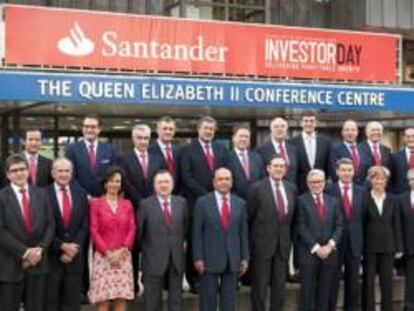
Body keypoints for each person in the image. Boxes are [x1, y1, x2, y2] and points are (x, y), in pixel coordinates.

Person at [0, 154, 54, 311]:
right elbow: (1, 231)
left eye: (22, 169)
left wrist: (40, 250)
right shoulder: (1, 197)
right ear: (8, 174)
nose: (19, 173)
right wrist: (25, 253)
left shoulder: (41, 194)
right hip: (9, 266)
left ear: (28, 171)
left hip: (38, 264)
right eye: (14, 170)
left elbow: (50, 225)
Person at [181, 116, 229, 292]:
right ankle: (194, 279)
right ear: (198, 129)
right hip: (197, 204)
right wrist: (208, 195)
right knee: (196, 240)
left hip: (220, 204)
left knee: (216, 239)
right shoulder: (187, 149)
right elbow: (186, 177)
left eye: (211, 128)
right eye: (205, 128)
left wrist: (218, 194)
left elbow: (226, 174)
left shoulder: (222, 149)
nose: (208, 131)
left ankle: (216, 274)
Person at [192, 168, 249, 311]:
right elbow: (197, 232)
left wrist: (245, 257)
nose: (224, 182)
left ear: (232, 182)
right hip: (208, 259)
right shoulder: (202, 202)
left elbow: (243, 233)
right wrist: (197, 257)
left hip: (232, 259)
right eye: (220, 179)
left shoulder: (240, 203)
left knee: (229, 302)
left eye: (227, 179)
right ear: (214, 182)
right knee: (207, 301)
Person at [247, 156, 297, 311]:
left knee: (279, 287)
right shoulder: (257, 188)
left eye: (282, 166)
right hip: (262, 245)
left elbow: (292, 219)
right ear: (268, 168)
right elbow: (249, 217)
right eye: (275, 166)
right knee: (260, 287)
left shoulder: (291, 188)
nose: (279, 169)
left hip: (282, 245)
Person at [138, 170, 188, 311]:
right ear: (154, 186)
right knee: (152, 302)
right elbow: (140, 234)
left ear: (172, 184)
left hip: (176, 258)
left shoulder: (181, 203)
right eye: (160, 182)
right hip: (152, 259)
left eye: (167, 182)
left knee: (176, 302)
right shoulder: (145, 205)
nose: (163, 185)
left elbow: (184, 229)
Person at [88, 166, 136, 311]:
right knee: (103, 300)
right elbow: (94, 230)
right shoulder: (96, 203)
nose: (114, 184)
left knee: (121, 298)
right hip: (103, 258)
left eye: (117, 181)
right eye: (111, 181)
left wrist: (122, 250)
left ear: (121, 184)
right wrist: (107, 253)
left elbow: (132, 228)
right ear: (105, 183)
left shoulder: (127, 204)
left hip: (123, 256)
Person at [46, 158, 89, 311]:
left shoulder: (81, 194)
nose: (63, 174)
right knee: (51, 303)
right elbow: (43, 227)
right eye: (60, 171)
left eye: (67, 171)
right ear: (52, 173)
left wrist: (73, 249)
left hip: (75, 260)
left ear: (71, 173)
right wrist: (62, 246)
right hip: (52, 259)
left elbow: (84, 225)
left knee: (72, 304)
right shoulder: (42, 194)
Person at [296, 169, 343, 311]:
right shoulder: (300, 200)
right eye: (313, 182)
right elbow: (301, 227)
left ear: (324, 183)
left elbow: (339, 226)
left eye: (319, 181)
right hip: (309, 254)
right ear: (308, 183)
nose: (316, 185)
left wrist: (329, 246)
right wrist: (317, 248)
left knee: (325, 294)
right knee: (306, 294)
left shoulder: (333, 201)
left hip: (329, 254)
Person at [325, 158, 366, 311]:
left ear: (354, 171)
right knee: (332, 280)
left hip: (355, 242)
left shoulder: (362, 191)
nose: (346, 173)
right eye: (343, 170)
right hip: (335, 243)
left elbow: (364, 219)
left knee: (353, 281)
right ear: (337, 172)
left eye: (349, 170)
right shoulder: (329, 190)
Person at [362, 165, 403, 311]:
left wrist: (399, 247)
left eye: (382, 179)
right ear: (370, 180)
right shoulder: (364, 198)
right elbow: (361, 224)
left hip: (388, 246)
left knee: (387, 283)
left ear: (386, 181)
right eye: (376, 178)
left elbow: (397, 224)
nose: (379, 182)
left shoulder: (393, 199)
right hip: (369, 247)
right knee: (368, 283)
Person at [65, 115, 117, 197]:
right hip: (79, 199)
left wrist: (107, 194)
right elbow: (70, 177)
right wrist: (85, 196)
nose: (89, 130)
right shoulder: (72, 149)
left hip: (104, 199)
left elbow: (113, 176)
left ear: (99, 129)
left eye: (93, 127)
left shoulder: (110, 150)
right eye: (86, 126)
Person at [117, 124, 165, 209]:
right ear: (133, 138)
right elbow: (125, 183)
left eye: (146, 138)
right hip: (132, 206)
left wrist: (151, 201)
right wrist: (140, 201)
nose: (143, 141)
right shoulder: (123, 159)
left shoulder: (158, 160)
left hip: (154, 206)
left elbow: (161, 181)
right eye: (139, 138)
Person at [290, 112, 331, 193]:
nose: (309, 124)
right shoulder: (292, 143)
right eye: (306, 121)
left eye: (311, 121)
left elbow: (328, 166)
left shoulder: (325, 142)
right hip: (300, 188)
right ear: (301, 123)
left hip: (320, 187)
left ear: (316, 123)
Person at [256, 117, 298, 186]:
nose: (280, 129)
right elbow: (261, 175)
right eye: (276, 127)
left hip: (291, 192)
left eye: (283, 126)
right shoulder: (261, 150)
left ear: (286, 130)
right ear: (271, 130)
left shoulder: (293, 149)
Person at [228, 124, 265, 200]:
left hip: (255, 202)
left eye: (246, 137)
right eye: (241, 136)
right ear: (233, 138)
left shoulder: (257, 157)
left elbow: (263, 179)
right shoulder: (227, 158)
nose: (244, 139)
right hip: (235, 202)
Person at [149, 116, 182, 194]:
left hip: (177, 198)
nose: (168, 132)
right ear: (157, 130)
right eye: (165, 128)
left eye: (171, 129)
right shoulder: (149, 151)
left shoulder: (179, 151)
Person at [328, 120, 365, 185]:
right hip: (345, 188)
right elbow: (334, 172)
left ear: (357, 132)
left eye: (353, 130)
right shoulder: (335, 150)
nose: (350, 133)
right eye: (347, 130)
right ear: (342, 132)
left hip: (362, 190)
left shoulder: (363, 149)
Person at [399, 168, 414, 311]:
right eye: (411, 179)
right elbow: (398, 225)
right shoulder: (401, 199)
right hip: (409, 246)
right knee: (411, 279)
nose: (413, 182)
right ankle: (409, 306)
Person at [391, 127, 414, 194]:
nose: (411, 139)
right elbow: (391, 180)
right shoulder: (394, 157)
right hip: (400, 197)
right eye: (408, 136)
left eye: (413, 136)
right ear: (404, 138)